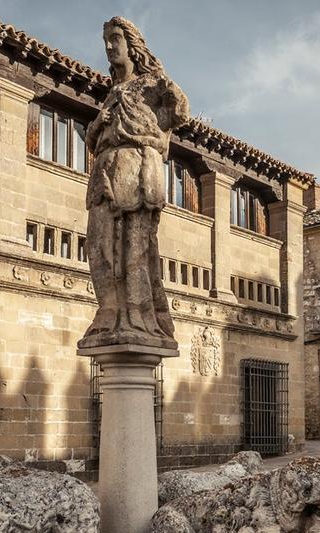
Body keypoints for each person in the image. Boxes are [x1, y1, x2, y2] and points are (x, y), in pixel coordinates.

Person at [78, 17, 190, 351]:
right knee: (99, 245)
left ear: (133, 45)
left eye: (115, 39)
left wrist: (168, 87)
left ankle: (138, 316)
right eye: (106, 41)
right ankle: (109, 310)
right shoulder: (112, 94)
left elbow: (179, 112)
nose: (110, 47)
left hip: (137, 171)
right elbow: (93, 139)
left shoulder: (151, 83)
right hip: (104, 173)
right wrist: (100, 122)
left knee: (135, 248)